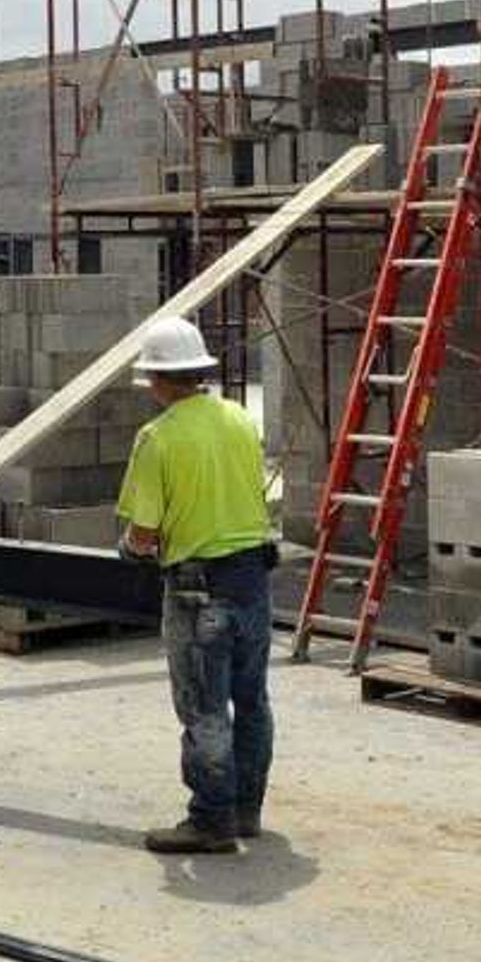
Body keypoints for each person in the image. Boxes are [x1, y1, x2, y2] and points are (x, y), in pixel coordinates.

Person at [115, 317, 280, 855]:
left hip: (198, 592)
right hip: (253, 583)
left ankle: (213, 820)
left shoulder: (157, 438)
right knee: (251, 700)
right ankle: (246, 810)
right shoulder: (238, 419)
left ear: (159, 381)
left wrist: (133, 549)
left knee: (205, 709)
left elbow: (143, 533)